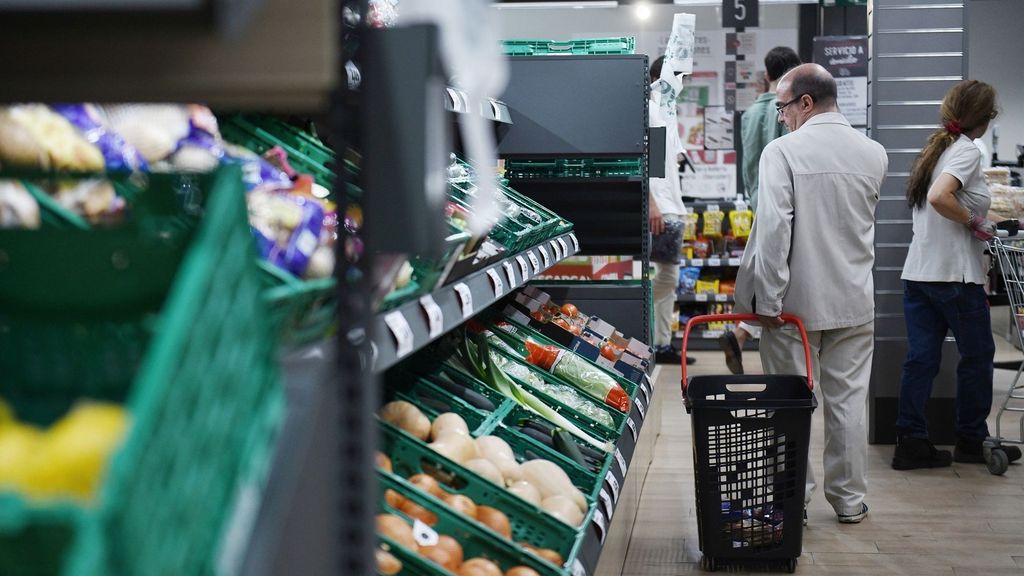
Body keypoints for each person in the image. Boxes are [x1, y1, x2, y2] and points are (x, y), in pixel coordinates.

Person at [734, 63, 888, 524]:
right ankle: (848, 501)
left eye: (782, 107)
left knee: (788, 403)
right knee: (848, 405)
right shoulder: (874, 153)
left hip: (793, 308)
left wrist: (770, 301)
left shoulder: (782, 153)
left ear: (805, 102)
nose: (779, 116)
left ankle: (790, 499)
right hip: (854, 302)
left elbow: (775, 232)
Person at [892, 80, 1023, 470]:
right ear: (984, 120)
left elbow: (952, 203)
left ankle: (910, 441)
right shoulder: (967, 150)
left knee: (921, 360)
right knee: (979, 356)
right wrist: (974, 221)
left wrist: (1001, 222)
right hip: (955, 277)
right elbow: (940, 199)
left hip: (919, 274)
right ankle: (970, 438)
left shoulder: (937, 149)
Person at [719, 46, 801, 375]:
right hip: (787, 205)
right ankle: (753, 335)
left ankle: (741, 334)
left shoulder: (751, 113)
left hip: (757, 202)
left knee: (763, 272)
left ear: (766, 75)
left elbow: (748, 166)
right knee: (783, 282)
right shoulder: (790, 111)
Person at [649, 55, 694, 365]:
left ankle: (662, 344)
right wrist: (651, 202)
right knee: (665, 277)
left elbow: (673, 156)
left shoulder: (666, 109)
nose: (683, 84)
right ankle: (641, 326)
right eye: (680, 78)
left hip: (672, 205)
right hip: (661, 208)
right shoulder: (651, 108)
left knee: (667, 277)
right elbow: (646, 157)